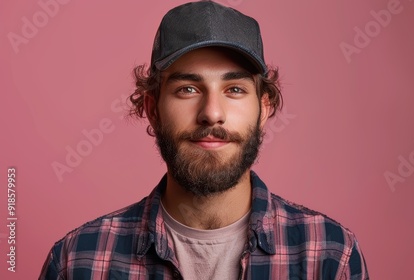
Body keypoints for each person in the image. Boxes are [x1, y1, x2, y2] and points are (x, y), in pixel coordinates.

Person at [39, 1, 369, 279]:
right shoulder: (77, 260)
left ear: (264, 108)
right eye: (188, 89)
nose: (211, 113)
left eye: (235, 90)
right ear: (152, 109)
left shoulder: (329, 255)